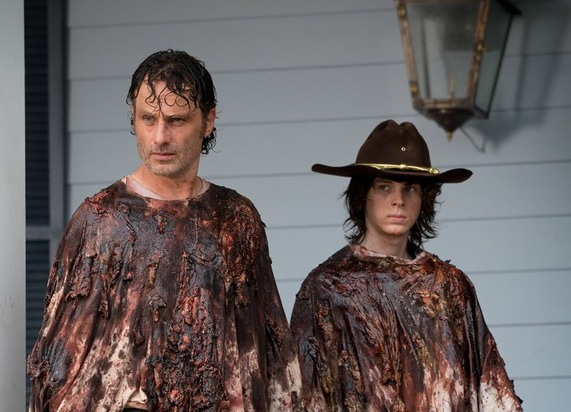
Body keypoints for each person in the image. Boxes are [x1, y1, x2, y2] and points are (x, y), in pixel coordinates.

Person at [27, 49, 302, 412]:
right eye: (148, 118)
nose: (159, 137)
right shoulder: (101, 222)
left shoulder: (236, 219)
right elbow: (58, 370)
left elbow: (273, 359)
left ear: (208, 121)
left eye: (176, 120)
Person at [290, 119, 522, 411]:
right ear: (363, 195)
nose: (398, 200)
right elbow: (303, 395)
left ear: (425, 197)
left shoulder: (450, 286)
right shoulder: (328, 287)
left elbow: (492, 393)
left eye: (410, 188)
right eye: (384, 187)